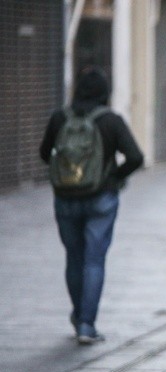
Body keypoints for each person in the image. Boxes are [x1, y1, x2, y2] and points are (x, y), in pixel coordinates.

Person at [39, 67, 144, 344]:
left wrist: (66, 173)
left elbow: (44, 154)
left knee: (74, 258)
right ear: (105, 92)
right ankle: (87, 325)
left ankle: (78, 316)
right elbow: (135, 157)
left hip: (65, 198)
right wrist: (114, 177)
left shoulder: (60, 117)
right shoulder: (111, 121)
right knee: (94, 260)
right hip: (101, 199)